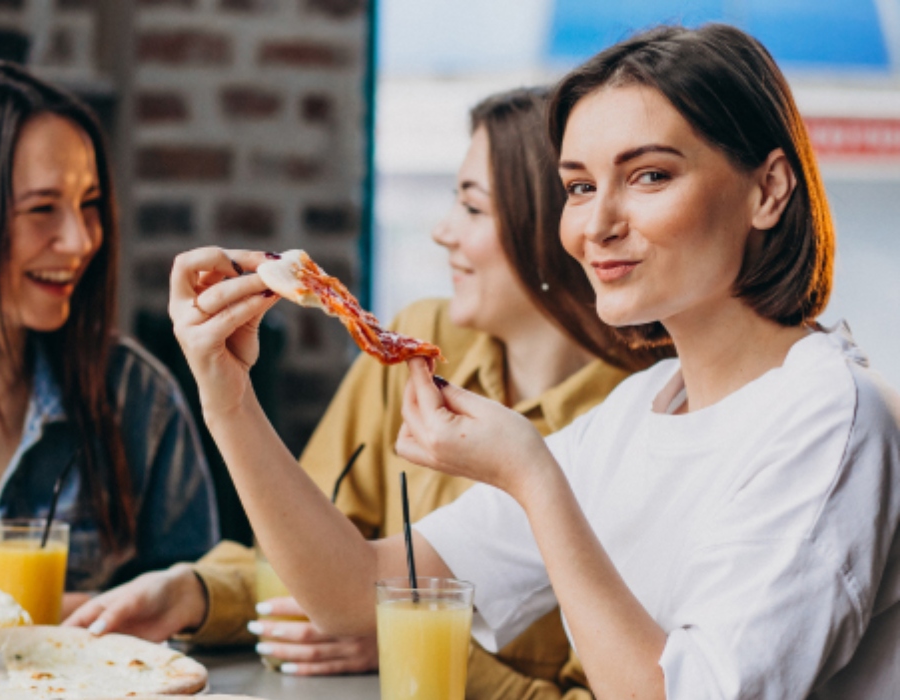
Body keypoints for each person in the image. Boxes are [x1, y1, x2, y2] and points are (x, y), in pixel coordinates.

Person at [165, 24, 900, 700]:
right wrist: (228, 398)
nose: (597, 224)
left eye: (649, 176)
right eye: (579, 186)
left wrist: (531, 478)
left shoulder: (828, 414)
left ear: (768, 190)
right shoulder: (639, 409)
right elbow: (354, 592)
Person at [67, 88, 661, 697]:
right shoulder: (417, 344)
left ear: (546, 229)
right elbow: (332, 563)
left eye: (474, 209)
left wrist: (404, 637)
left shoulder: (632, 429)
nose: (442, 232)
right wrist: (194, 591)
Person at [0, 60, 220, 645]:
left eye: (90, 202)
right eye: (42, 208)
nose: (80, 240)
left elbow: (204, 621)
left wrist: (97, 617)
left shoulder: (135, 398)